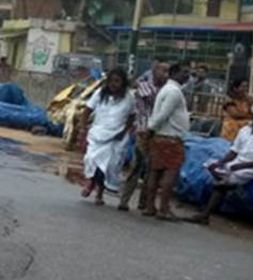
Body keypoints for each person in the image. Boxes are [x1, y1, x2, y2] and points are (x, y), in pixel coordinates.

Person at [140, 63, 192, 220]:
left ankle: (151, 207)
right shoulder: (174, 92)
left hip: (161, 136)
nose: (187, 76)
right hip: (171, 138)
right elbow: (163, 114)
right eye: (184, 72)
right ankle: (163, 208)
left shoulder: (167, 89)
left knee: (155, 173)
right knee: (170, 173)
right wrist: (149, 129)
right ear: (174, 73)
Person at [79, 68, 135, 205]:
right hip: (97, 134)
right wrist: (82, 129)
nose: (113, 84)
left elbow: (132, 116)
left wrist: (125, 131)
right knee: (91, 159)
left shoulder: (129, 97)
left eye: (117, 81)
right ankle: (90, 182)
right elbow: (87, 111)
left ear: (123, 83)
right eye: (111, 81)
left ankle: (99, 193)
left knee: (107, 166)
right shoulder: (99, 94)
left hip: (116, 137)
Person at [118, 60, 169, 211]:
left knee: (152, 169)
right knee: (137, 166)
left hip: (158, 132)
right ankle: (125, 200)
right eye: (163, 71)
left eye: (167, 72)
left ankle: (144, 201)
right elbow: (154, 100)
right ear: (154, 71)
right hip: (144, 131)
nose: (165, 75)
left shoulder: (166, 89)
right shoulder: (147, 86)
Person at [191, 119, 253, 224]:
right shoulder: (245, 130)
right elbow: (234, 152)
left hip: (251, 167)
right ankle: (221, 186)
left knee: (227, 179)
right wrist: (220, 162)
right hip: (237, 163)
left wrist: (240, 166)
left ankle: (206, 213)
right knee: (210, 165)